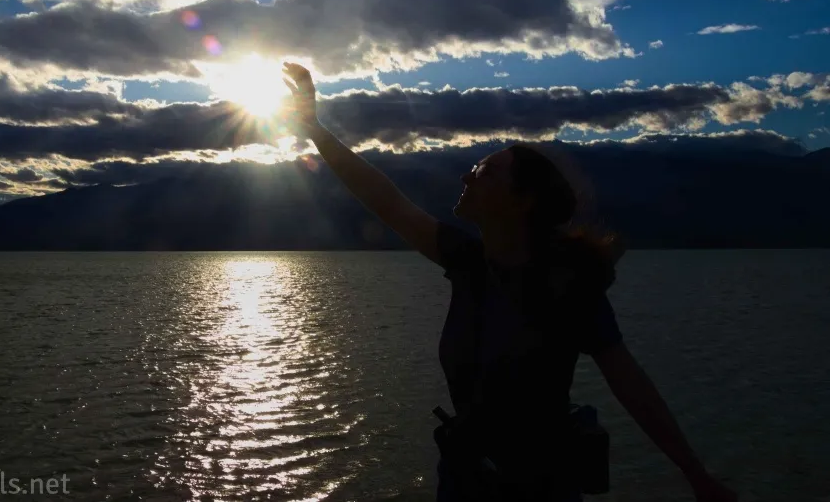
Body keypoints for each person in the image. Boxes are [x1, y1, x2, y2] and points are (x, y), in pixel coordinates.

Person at [281, 62, 738, 502]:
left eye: (485, 171)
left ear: (522, 203)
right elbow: (385, 199)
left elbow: (631, 387)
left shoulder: (569, 287)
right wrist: (316, 130)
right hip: (463, 480)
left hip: (541, 487)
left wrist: (695, 474)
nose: (466, 175)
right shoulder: (469, 263)